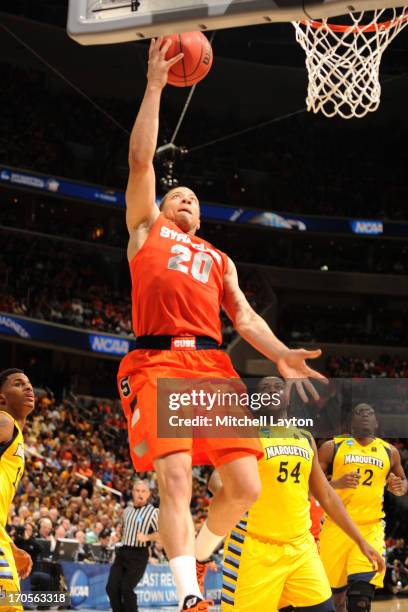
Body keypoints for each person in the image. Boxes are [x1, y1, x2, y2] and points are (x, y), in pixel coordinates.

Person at [117, 36, 327, 611]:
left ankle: (203, 557)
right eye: (174, 194)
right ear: (158, 207)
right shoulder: (144, 233)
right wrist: (156, 84)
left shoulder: (218, 258)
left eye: (191, 198)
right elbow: (141, 161)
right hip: (157, 359)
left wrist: (280, 353)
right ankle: (189, 598)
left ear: (201, 216)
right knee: (177, 478)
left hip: (211, 364)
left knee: (246, 488)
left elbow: (246, 315)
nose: (183, 199)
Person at [207, 378, 384, 611]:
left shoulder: (304, 438)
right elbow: (214, 480)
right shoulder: (245, 435)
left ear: (287, 397)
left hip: (300, 548)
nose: (271, 390)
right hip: (254, 549)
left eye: (277, 387)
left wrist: (360, 540)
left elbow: (327, 496)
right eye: (264, 388)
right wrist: (241, 493)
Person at [319, 403, 408, 612]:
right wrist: (336, 483)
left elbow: (403, 483)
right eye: (359, 412)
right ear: (351, 421)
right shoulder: (332, 447)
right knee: (335, 601)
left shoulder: (389, 452)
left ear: (376, 422)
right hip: (335, 529)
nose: (365, 416)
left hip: (370, 529)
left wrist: (399, 487)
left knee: (360, 600)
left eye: (369, 412)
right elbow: (311, 485)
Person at [0, 369, 35, 610]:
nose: (28, 388)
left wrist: (11, 546)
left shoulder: (15, 434)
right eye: (18, 384)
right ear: (2, 399)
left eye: (29, 384)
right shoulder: (4, 420)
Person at [106, 480, 159, 612]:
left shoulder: (153, 512)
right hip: (123, 551)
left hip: (139, 554)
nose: (140, 494)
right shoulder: (127, 511)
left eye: (143, 491)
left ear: (148, 494)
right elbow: (123, 529)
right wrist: (118, 535)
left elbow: (163, 534)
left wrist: (147, 537)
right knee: (111, 587)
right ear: (132, 493)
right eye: (137, 490)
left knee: (126, 588)